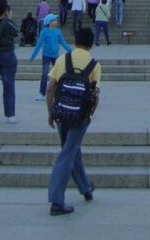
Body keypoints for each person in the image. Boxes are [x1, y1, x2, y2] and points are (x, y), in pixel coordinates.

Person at [46, 27, 100, 216]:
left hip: (61, 113)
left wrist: (51, 112)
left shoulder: (62, 59)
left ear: (75, 41)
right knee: (68, 152)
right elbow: (95, 94)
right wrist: (90, 115)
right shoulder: (94, 64)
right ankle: (56, 200)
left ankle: (85, 187)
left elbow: (50, 88)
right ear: (91, 44)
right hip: (80, 116)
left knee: (71, 148)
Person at [30, 14, 73, 101]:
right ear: (50, 22)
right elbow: (38, 44)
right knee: (45, 75)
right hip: (46, 55)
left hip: (55, 56)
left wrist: (73, 51)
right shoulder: (44, 31)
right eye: (55, 20)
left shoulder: (58, 32)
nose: (56, 21)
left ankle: (58, 93)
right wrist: (32, 56)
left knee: (57, 75)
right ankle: (42, 94)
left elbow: (64, 43)